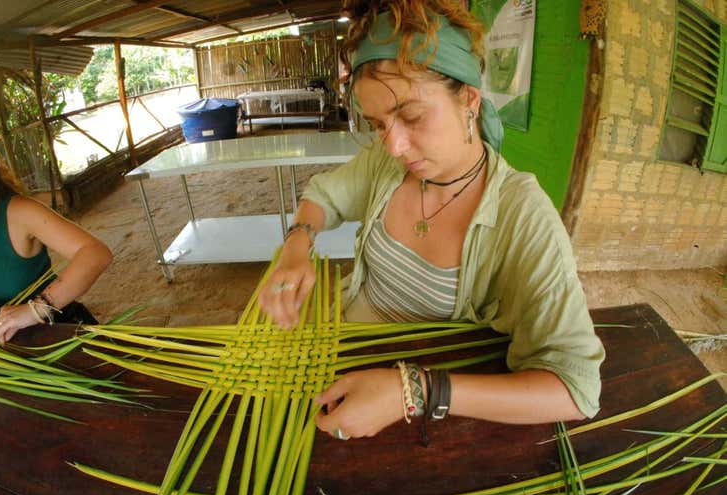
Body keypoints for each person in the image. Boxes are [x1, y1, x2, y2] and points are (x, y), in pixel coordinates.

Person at [258, 0, 605, 440]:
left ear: (469, 101)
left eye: (412, 116)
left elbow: (575, 390)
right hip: (344, 349)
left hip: (422, 408)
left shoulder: (522, 216)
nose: (394, 146)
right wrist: (296, 246)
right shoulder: (387, 169)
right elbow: (323, 195)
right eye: (379, 124)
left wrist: (416, 390)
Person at [0, 113, 113, 366]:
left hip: (65, 338)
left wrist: (37, 308)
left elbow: (95, 253)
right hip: (15, 353)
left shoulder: (19, 213)